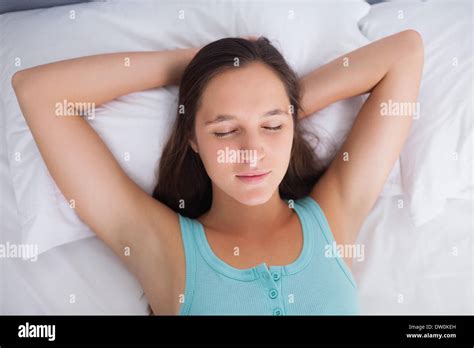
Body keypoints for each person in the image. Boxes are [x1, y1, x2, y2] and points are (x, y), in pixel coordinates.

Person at [11, 31, 424, 315]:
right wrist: (193, 62)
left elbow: (405, 52)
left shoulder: (333, 220)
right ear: (192, 137)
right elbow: (40, 92)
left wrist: (286, 104)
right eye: (226, 130)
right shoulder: (164, 247)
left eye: (272, 127)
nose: (252, 153)